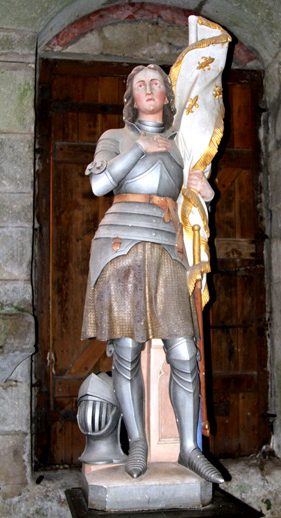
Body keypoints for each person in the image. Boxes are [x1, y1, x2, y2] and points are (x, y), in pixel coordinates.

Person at [82, 64, 223, 484]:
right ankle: (138, 443)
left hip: (168, 244)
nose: (148, 88)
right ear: (131, 96)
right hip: (121, 242)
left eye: (155, 84)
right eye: (140, 84)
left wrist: (208, 196)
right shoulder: (116, 137)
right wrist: (139, 147)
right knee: (126, 350)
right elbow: (98, 185)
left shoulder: (183, 145)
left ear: (165, 96)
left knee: (184, 351)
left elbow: (188, 206)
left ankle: (189, 448)